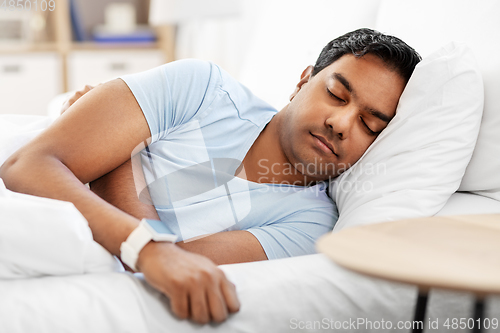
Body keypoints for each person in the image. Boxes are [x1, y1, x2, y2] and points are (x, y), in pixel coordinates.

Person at [0, 28, 420, 324]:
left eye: (371, 124)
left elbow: (166, 269)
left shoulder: (311, 226)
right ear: (303, 80)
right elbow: (27, 165)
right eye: (336, 94)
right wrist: (151, 243)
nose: (343, 123)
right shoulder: (202, 88)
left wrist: (119, 154)